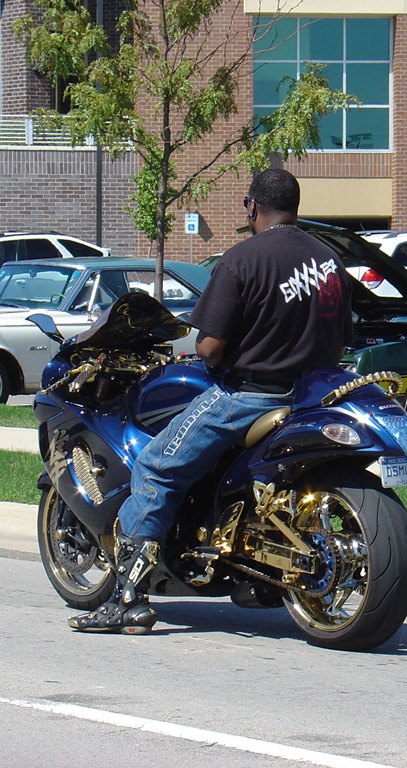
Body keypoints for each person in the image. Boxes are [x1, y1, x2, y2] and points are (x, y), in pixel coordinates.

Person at [68, 168, 354, 634]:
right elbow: (341, 340)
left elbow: (209, 347)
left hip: (252, 395)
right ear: (296, 206)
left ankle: (126, 600)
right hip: (313, 397)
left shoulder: (242, 260)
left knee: (156, 466)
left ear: (252, 207)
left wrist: (210, 352)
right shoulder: (327, 260)